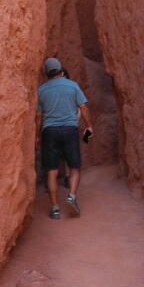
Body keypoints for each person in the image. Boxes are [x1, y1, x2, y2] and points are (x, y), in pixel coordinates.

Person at [36, 57, 93, 219]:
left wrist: (36, 137)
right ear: (61, 70)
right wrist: (89, 125)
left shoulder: (41, 90)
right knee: (74, 167)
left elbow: (38, 117)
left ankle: (54, 208)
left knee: (51, 172)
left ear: (46, 73)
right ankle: (72, 196)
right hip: (69, 129)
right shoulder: (72, 86)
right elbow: (83, 107)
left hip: (49, 131)